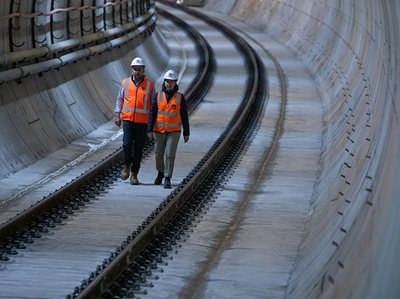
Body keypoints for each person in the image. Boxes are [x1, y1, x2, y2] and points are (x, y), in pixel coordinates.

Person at [114, 57, 155, 185]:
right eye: (134, 69)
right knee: (126, 144)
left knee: (138, 148)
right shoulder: (125, 83)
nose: (136, 72)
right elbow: (120, 99)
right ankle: (127, 166)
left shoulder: (150, 85)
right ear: (131, 70)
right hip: (127, 120)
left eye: (139, 69)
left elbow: (154, 106)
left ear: (143, 70)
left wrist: (151, 125)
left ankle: (134, 174)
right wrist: (117, 115)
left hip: (142, 122)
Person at [147, 70, 190, 189]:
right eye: (167, 81)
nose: (169, 84)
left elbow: (184, 116)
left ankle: (167, 177)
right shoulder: (158, 96)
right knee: (158, 154)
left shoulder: (180, 97)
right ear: (164, 82)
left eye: (171, 82)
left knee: (170, 155)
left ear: (175, 83)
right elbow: (152, 113)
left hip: (174, 131)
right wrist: (149, 129)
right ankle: (160, 172)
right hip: (159, 130)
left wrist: (186, 132)